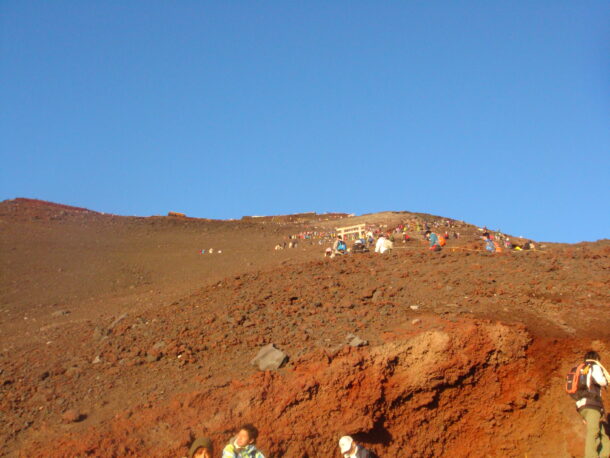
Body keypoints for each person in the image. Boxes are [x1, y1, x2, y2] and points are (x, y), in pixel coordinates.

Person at [574, 351, 609, 458]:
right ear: (596, 359)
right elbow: (602, 381)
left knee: (604, 436)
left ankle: (604, 455)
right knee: (593, 432)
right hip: (592, 405)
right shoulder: (594, 367)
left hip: (581, 406)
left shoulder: (580, 370)